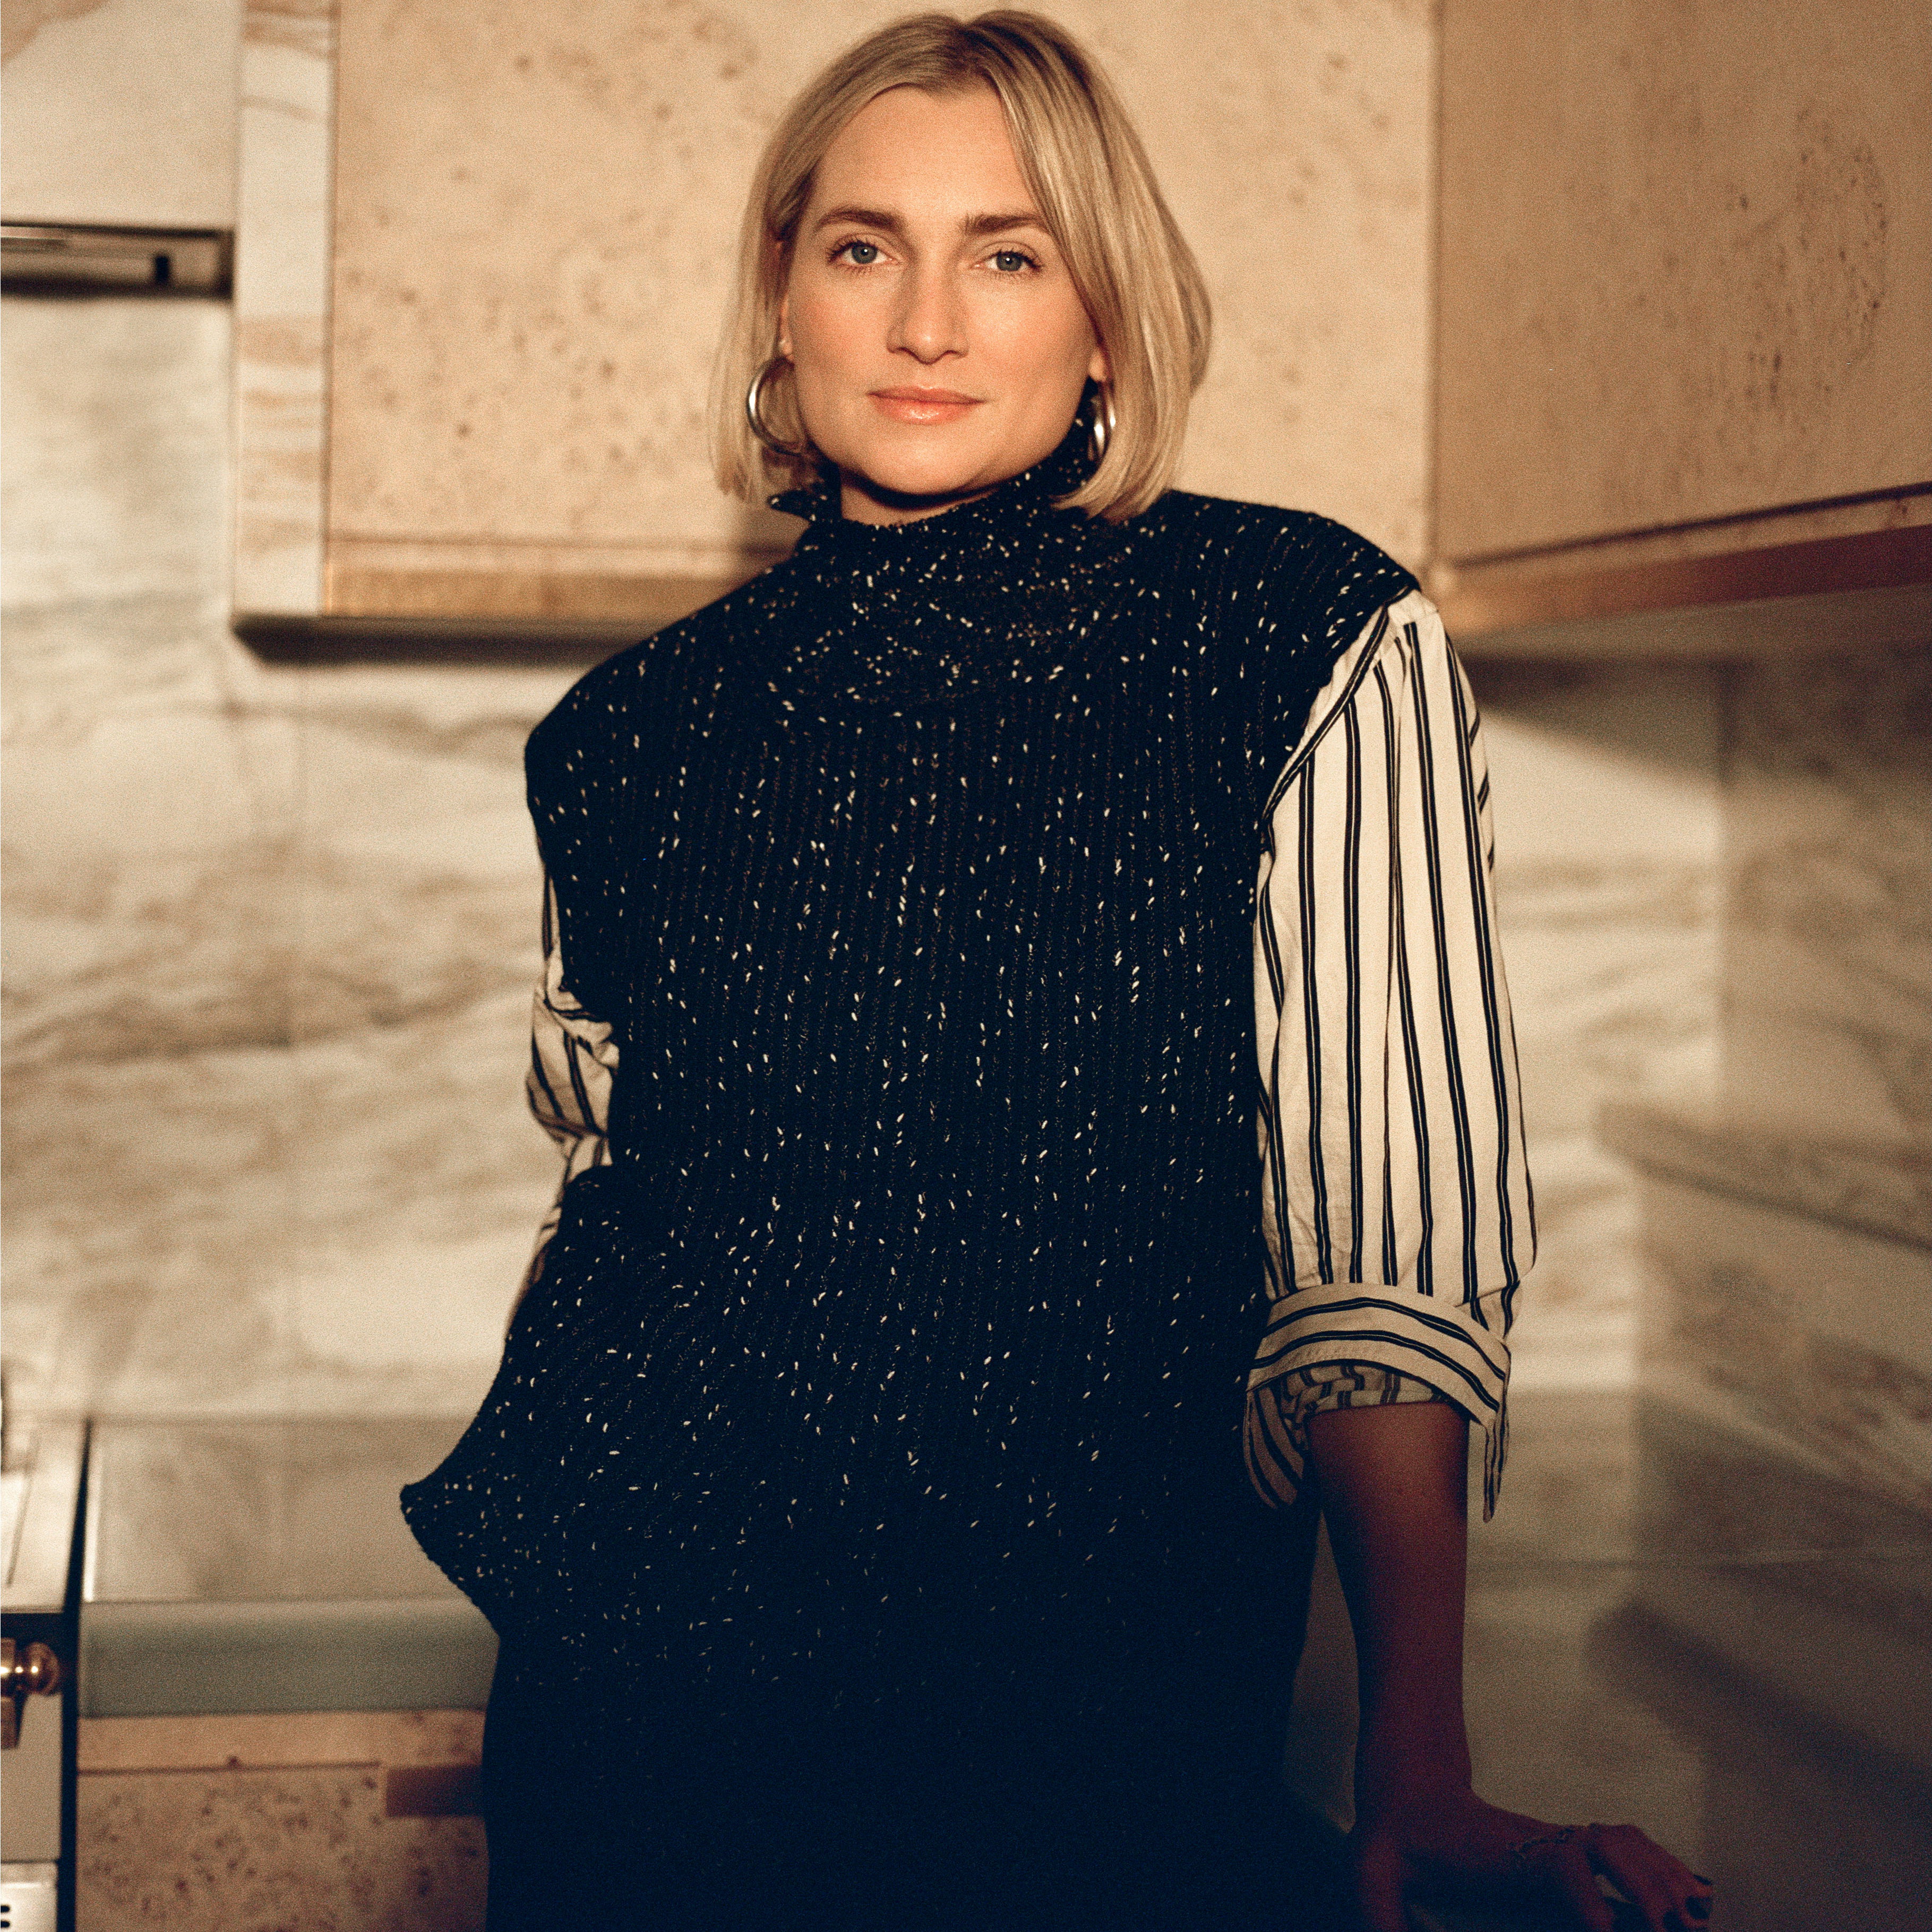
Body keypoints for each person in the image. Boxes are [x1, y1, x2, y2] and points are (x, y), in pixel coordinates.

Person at [403, 13, 1714, 1930]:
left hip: (1081, 1733)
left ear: (1104, 322)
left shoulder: (1301, 638)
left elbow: (1381, 1252)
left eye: (1009, 254)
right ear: (784, 295)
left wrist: (1415, 1757)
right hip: (633, 1727)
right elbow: (612, 1188)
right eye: (863, 247)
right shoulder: (626, 734)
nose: (927, 317)